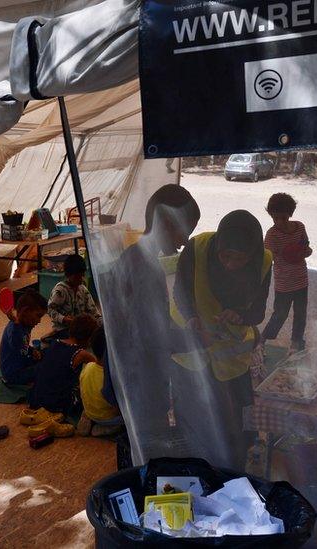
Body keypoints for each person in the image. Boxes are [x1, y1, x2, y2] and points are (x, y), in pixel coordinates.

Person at [98, 184, 202, 464]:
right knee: (145, 454)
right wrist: (196, 343)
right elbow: (149, 336)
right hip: (137, 379)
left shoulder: (136, 256)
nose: (184, 242)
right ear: (165, 222)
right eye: (185, 230)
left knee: (137, 446)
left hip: (130, 374)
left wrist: (184, 332)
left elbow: (150, 319)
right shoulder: (144, 266)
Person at [171, 210, 273, 470]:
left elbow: (258, 310)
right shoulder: (198, 248)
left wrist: (239, 315)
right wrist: (193, 320)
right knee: (196, 415)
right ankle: (196, 466)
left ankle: (234, 467)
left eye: (239, 259)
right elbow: (180, 290)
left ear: (252, 255)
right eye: (225, 256)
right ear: (218, 247)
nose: (230, 264)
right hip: (192, 350)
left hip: (231, 358)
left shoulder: (264, 261)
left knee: (236, 420)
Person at [27, 314, 98, 435]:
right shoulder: (81, 354)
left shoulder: (55, 343)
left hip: (35, 398)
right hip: (57, 404)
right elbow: (99, 365)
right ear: (89, 338)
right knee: (86, 393)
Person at [261, 193, 312, 352]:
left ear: (290, 214)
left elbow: (306, 247)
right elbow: (268, 257)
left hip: (301, 279)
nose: (279, 222)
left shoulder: (300, 227)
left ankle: (296, 342)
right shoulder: (272, 234)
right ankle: (263, 339)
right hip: (283, 282)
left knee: (300, 314)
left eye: (283, 218)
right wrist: (285, 254)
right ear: (271, 215)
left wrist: (304, 252)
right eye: (275, 218)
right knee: (280, 314)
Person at [76, 328, 123, 437]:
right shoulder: (113, 377)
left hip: (89, 411)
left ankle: (88, 418)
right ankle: (106, 427)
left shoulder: (88, 366)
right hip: (108, 417)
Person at [0, 291, 47, 385]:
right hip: (13, 375)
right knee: (46, 368)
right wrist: (16, 324)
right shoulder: (13, 328)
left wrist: (32, 351)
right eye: (38, 316)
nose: (40, 321)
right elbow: (16, 344)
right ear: (25, 311)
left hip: (21, 363)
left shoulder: (26, 325)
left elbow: (23, 346)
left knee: (46, 353)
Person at [47, 254, 101, 337]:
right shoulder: (61, 290)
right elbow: (50, 310)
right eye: (77, 277)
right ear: (68, 275)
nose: (81, 279)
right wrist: (64, 319)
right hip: (64, 329)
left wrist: (102, 324)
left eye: (82, 275)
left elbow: (93, 311)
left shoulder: (83, 289)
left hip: (80, 329)